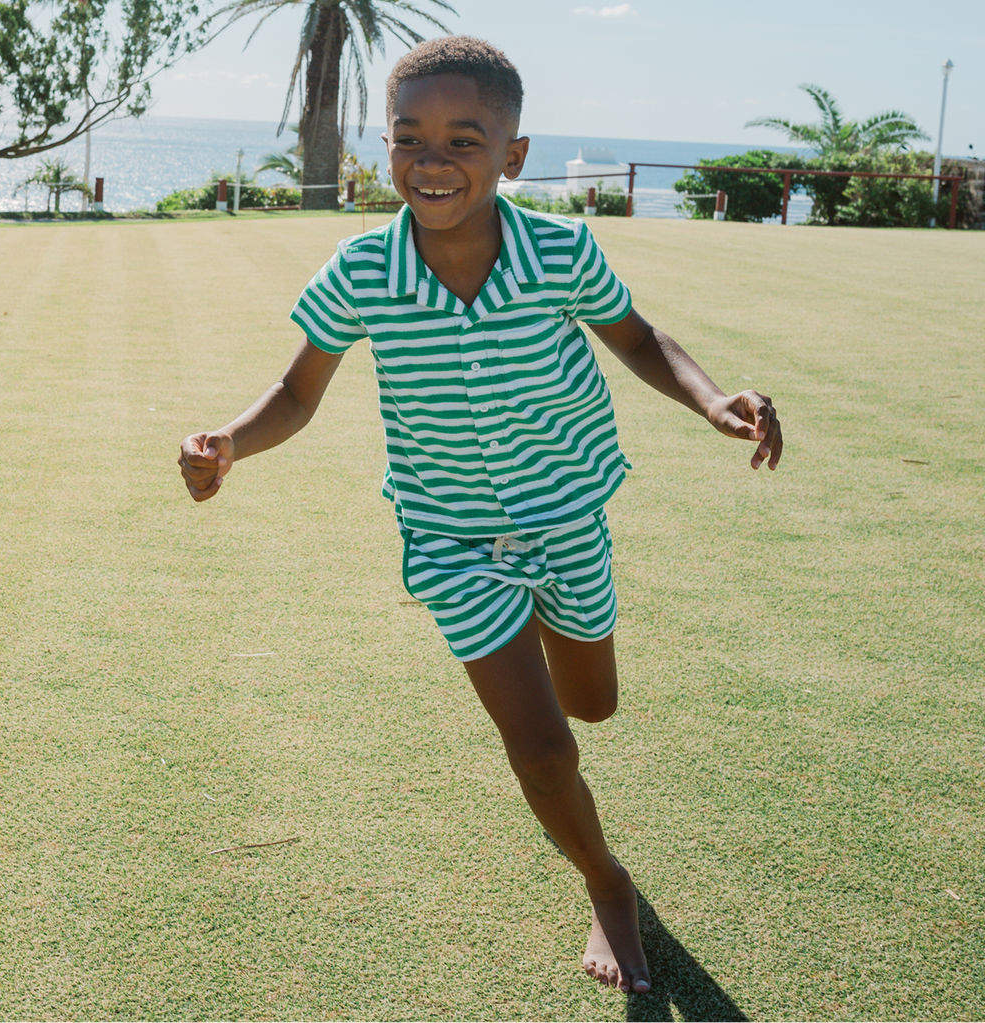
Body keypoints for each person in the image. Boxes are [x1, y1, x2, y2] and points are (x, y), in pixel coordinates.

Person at [179, 36, 782, 997]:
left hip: (568, 515)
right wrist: (228, 444)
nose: (433, 159)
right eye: (410, 137)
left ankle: (548, 639)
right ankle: (608, 884)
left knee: (593, 703)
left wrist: (714, 401)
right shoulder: (362, 271)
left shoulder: (561, 251)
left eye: (465, 138)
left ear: (513, 154)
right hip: (451, 539)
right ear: (387, 150)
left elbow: (638, 337)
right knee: (543, 744)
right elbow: (296, 394)